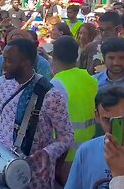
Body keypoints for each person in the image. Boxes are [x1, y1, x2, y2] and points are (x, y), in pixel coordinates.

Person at [0, 38, 73, 187]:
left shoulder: (50, 95)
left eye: (9, 61)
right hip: (1, 164)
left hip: (34, 172)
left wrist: (47, 153)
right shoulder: (1, 83)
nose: (3, 66)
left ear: (26, 63)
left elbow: (67, 136)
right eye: (4, 59)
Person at [65, 87, 124, 188]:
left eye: (122, 121)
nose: (115, 129)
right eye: (107, 120)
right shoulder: (85, 152)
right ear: (97, 116)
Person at [50, 36, 98, 183]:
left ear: (53, 56)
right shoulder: (91, 79)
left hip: (66, 154)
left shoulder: (56, 84)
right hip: (89, 149)